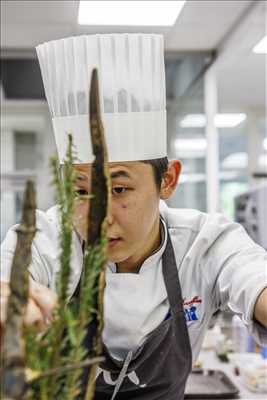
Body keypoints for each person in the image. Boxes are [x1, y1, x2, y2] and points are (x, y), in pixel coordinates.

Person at [1, 34, 267, 400]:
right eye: (81, 191)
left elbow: (253, 277)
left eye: (119, 189)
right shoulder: (46, 238)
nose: (97, 218)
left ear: (167, 180)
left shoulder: (205, 242)